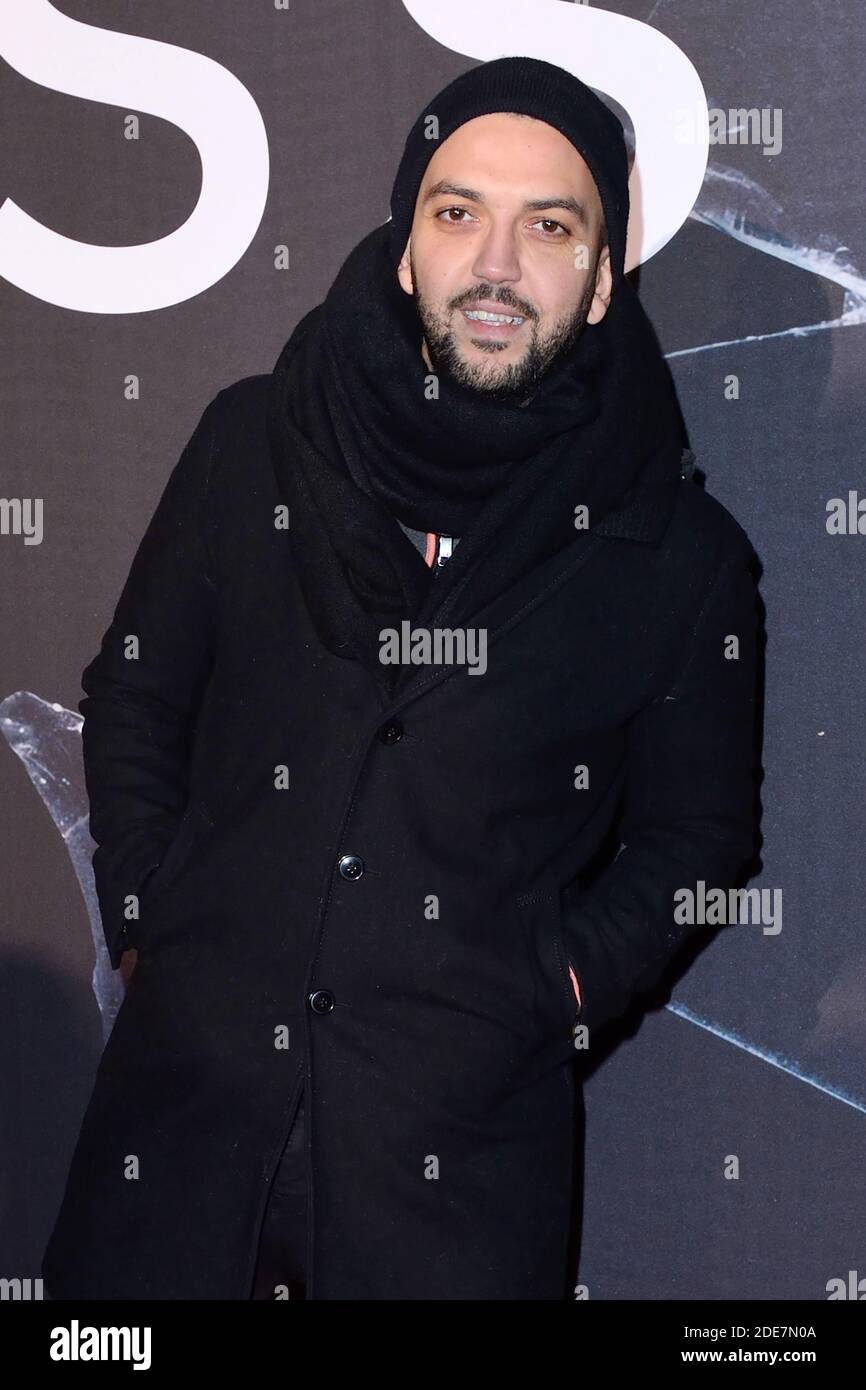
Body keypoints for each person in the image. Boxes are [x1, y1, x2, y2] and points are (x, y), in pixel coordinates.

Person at [42, 55, 759, 1301]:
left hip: (451, 1194)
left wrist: (556, 989)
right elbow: (137, 694)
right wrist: (154, 918)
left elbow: (696, 838)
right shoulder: (251, 439)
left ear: (599, 283)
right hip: (177, 1148)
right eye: (456, 212)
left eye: (549, 225)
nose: (495, 262)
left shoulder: (678, 554)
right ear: (402, 247)